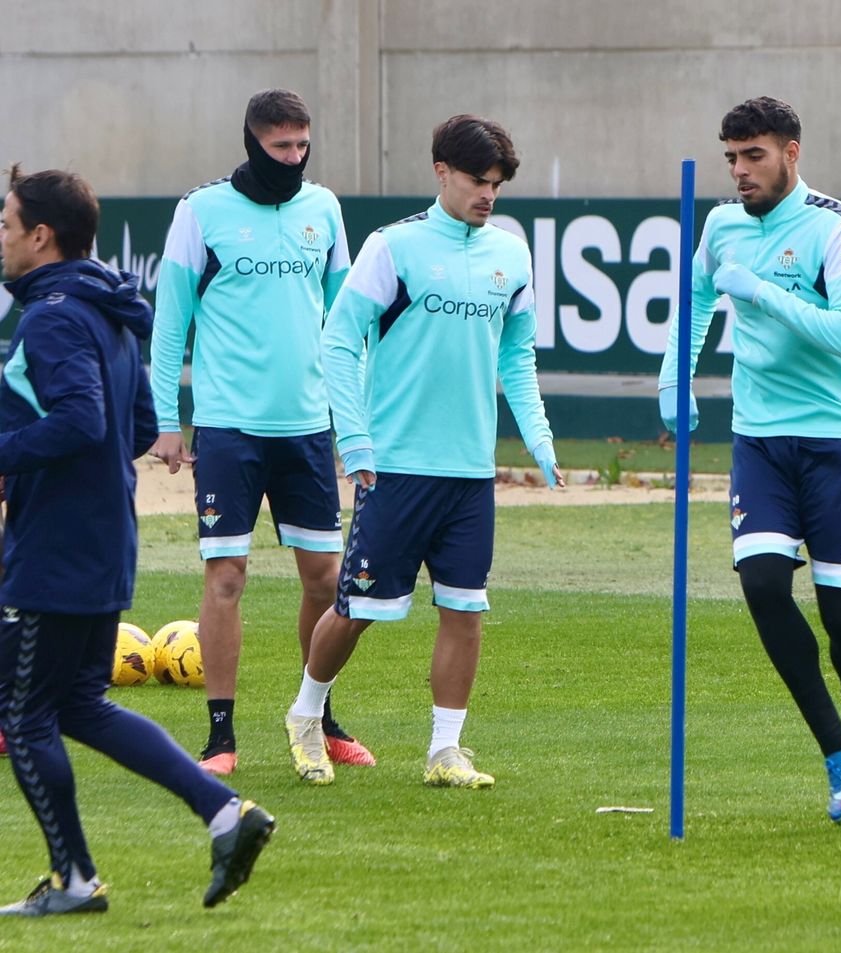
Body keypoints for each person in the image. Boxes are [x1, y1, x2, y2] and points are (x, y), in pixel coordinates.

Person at [0, 165, 273, 915]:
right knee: (81, 705)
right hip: (101, 537)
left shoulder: (53, 315)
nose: (1, 237)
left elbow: (83, 423)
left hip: (55, 550)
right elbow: (124, 431)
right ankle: (228, 814)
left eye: (6, 224)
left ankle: (74, 880)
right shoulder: (107, 309)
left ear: (41, 235)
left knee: (22, 715)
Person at [283, 115, 562, 788]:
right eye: (476, 181)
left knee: (466, 609)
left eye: (496, 185)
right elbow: (339, 343)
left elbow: (516, 355)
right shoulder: (393, 248)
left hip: (468, 473)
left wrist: (539, 434)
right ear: (442, 171)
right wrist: (355, 439)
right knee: (354, 609)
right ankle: (305, 716)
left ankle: (445, 751)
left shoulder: (512, 255)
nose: (487, 195)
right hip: (396, 467)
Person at [658, 96, 841, 823]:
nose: (739, 172)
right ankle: (835, 753)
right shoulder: (721, 225)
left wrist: (760, 293)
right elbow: (694, 298)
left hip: (838, 436)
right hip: (759, 436)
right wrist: (675, 375)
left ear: (791, 151)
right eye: (731, 157)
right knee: (761, 583)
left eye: (753, 156)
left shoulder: (837, 227)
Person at [150, 88, 371, 774]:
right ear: (252, 141)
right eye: (281, 148)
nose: (294, 159)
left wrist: (356, 418)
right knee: (227, 577)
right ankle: (221, 736)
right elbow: (170, 323)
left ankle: (316, 714)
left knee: (326, 580)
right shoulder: (202, 210)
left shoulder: (324, 209)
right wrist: (165, 422)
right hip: (228, 428)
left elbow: (346, 324)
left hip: (307, 428)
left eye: (303, 146)